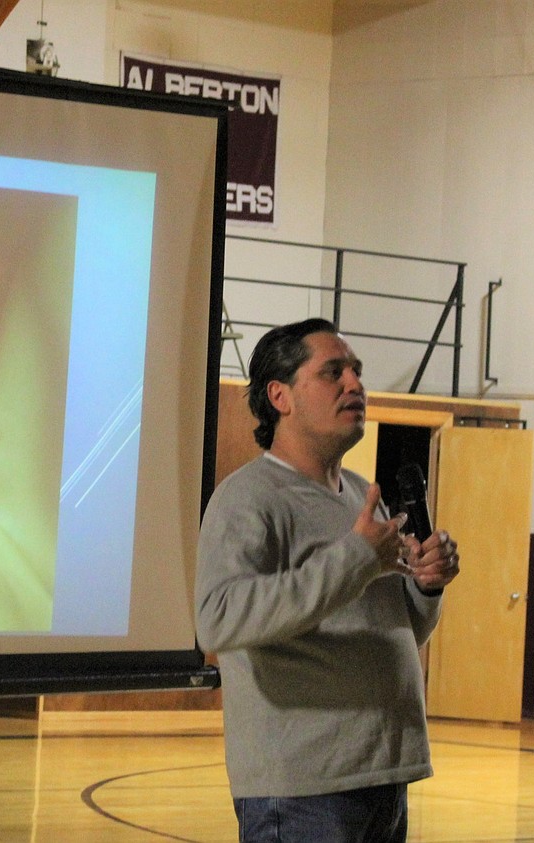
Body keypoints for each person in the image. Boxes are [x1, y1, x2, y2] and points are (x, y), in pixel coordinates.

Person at [195, 317, 461, 842]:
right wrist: (357, 558)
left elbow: (395, 631)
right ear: (280, 396)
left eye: (357, 372)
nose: (354, 384)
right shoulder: (249, 497)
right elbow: (218, 622)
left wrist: (425, 587)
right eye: (332, 372)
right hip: (302, 789)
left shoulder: (364, 494)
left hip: (383, 772)